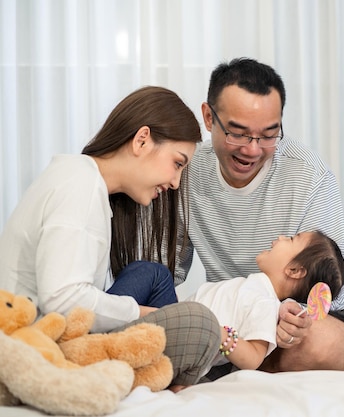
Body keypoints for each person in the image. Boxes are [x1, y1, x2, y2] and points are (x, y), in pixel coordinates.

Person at [176, 57, 344, 375]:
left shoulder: (307, 172)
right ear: (208, 117)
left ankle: (249, 361)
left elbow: (324, 275)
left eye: (268, 135)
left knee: (312, 342)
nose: (253, 149)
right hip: (238, 326)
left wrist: (293, 319)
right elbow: (167, 271)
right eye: (238, 133)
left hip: (321, 317)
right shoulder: (185, 171)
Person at [0, 86, 221, 388]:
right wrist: (141, 312)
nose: (175, 182)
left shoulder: (83, 177)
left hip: (58, 332)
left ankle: (171, 371)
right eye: (177, 163)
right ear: (142, 140)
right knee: (200, 324)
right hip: (38, 344)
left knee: (152, 274)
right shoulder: (80, 185)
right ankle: (173, 374)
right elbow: (61, 299)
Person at [175, 230, 344, 390]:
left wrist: (221, 335)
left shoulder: (266, 304)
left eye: (291, 239)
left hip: (186, 342)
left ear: (294, 270)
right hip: (179, 324)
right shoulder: (255, 288)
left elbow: (254, 357)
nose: (281, 237)